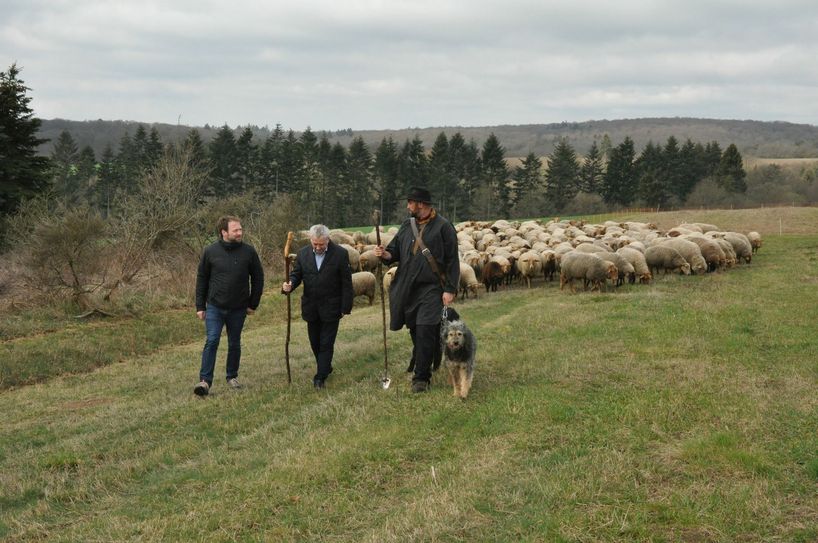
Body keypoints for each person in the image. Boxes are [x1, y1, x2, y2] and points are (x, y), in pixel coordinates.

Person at [374, 187, 460, 393]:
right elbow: (394, 252)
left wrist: (450, 288)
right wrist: (384, 254)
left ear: (420, 204)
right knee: (415, 330)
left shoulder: (444, 227)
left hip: (431, 289)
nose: (407, 206)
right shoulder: (407, 225)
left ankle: (421, 378)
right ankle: (428, 357)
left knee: (424, 329)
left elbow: (452, 260)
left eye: (410, 202)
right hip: (407, 288)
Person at [194, 216, 264, 396]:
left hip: (238, 308)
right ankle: (205, 382)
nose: (240, 232)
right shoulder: (210, 251)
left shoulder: (249, 252)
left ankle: (232, 376)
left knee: (234, 342)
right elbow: (202, 279)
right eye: (236, 230)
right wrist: (200, 306)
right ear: (224, 232)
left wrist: (252, 303)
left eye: (240, 229)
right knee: (212, 340)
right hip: (215, 307)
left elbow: (258, 278)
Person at [282, 224, 353, 389]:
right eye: (315, 244)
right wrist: (289, 285)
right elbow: (296, 275)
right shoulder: (303, 254)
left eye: (321, 244)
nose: (318, 247)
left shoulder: (340, 254)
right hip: (311, 306)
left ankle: (320, 377)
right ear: (311, 240)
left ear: (328, 239)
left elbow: (346, 282)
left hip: (332, 307)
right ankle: (325, 366)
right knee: (315, 342)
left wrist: (345, 307)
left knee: (326, 343)